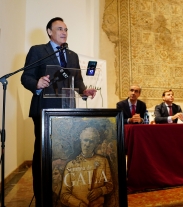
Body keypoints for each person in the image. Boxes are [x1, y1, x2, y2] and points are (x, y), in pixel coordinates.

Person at [20, 17, 97, 206]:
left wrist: (84, 91)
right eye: (59, 28)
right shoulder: (38, 51)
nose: (64, 32)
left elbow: (77, 81)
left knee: (68, 153)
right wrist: (36, 83)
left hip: (68, 111)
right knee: (43, 153)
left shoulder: (72, 55)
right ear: (49, 31)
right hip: (44, 110)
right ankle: (42, 196)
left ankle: (62, 192)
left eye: (66, 29)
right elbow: (26, 77)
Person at [60, 127, 113, 207]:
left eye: (91, 141)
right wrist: (79, 204)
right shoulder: (71, 165)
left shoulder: (103, 161)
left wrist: (100, 190)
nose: (87, 144)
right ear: (81, 141)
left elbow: (109, 185)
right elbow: (64, 195)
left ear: (95, 144)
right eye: (85, 140)